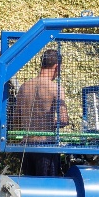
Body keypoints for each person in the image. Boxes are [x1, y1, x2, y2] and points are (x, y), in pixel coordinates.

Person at [15, 48, 67, 177]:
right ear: (56, 66)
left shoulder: (24, 87)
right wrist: (52, 122)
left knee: (29, 186)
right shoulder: (56, 88)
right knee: (47, 188)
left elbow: (16, 119)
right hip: (46, 146)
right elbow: (64, 119)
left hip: (27, 146)